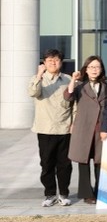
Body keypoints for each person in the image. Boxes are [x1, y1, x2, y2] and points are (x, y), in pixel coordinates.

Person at [28, 49, 73, 207]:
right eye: (49, 60)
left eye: (56, 60)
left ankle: (64, 194)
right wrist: (39, 75)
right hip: (45, 129)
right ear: (44, 63)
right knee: (47, 164)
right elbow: (33, 93)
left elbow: (74, 103)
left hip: (64, 128)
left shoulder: (68, 79)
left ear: (61, 62)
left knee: (65, 165)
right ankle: (50, 194)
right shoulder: (37, 79)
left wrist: (74, 122)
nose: (53, 63)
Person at [64, 56, 107, 204]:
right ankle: (86, 193)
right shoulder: (80, 86)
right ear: (86, 69)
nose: (94, 70)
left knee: (100, 161)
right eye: (91, 67)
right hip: (83, 129)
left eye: (97, 67)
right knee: (83, 161)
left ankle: (100, 191)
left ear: (101, 69)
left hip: (100, 129)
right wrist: (73, 79)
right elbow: (68, 96)